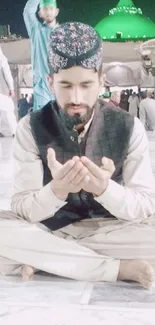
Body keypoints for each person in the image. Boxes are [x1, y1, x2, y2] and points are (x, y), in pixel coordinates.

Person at [1, 22, 155, 289]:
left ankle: (48, 258)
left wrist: (105, 189)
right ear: (50, 82)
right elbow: (23, 207)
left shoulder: (129, 127)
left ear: (100, 81)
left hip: (114, 230)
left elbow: (145, 205)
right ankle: (116, 268)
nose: (76, 97)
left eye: (85, 85)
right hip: (51, 227)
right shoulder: (30, 126)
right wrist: (56, 191)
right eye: (65, 85)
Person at [23, 0, 59, 111]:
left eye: (51, 8)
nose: (48, 11)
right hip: (42, 86)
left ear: (57, 11)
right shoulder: (36, 31)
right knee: (43, 120)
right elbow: (28, 11)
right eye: (45, 9)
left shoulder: (63, 33)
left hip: (60, 85)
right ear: (39, 13)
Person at [0, 47, 17, 137]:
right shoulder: (2, 59)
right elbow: (7, 73)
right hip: (2, 89)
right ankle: (14, 132)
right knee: (9, 110)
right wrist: (11, 88)